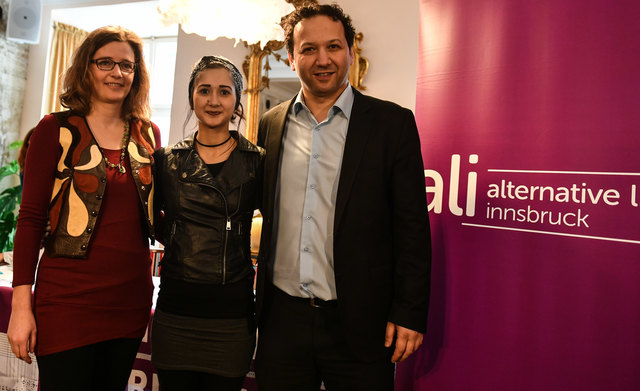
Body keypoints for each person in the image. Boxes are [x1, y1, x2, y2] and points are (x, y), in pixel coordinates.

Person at [254, 3, 432, 390]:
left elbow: (412, 227)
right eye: (308, 49)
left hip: (362, 322)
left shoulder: (391, 125)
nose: (322, 60)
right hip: (282, 321)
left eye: (333, 47)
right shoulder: (270, 124)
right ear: (291, 56)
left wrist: (410, 312)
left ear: (351, 51)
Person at [7, 26, 161, 391]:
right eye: (105, 63)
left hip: (127, 302)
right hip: (66, 302)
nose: (117, 73)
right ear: (86, 68)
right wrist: (20, 306)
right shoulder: (54, 130)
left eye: (127, 65)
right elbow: (29, 220)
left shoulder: (148, 133)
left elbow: (158, 214)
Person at [151, 56, 264, 391]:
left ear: (236, 101)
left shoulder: (257, 161)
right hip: (176, 310)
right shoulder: (167, 160)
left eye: (224, 92)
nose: (214, 100)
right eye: (204, 90)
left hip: (231, 315)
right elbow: (149, 221)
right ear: (192, 98)